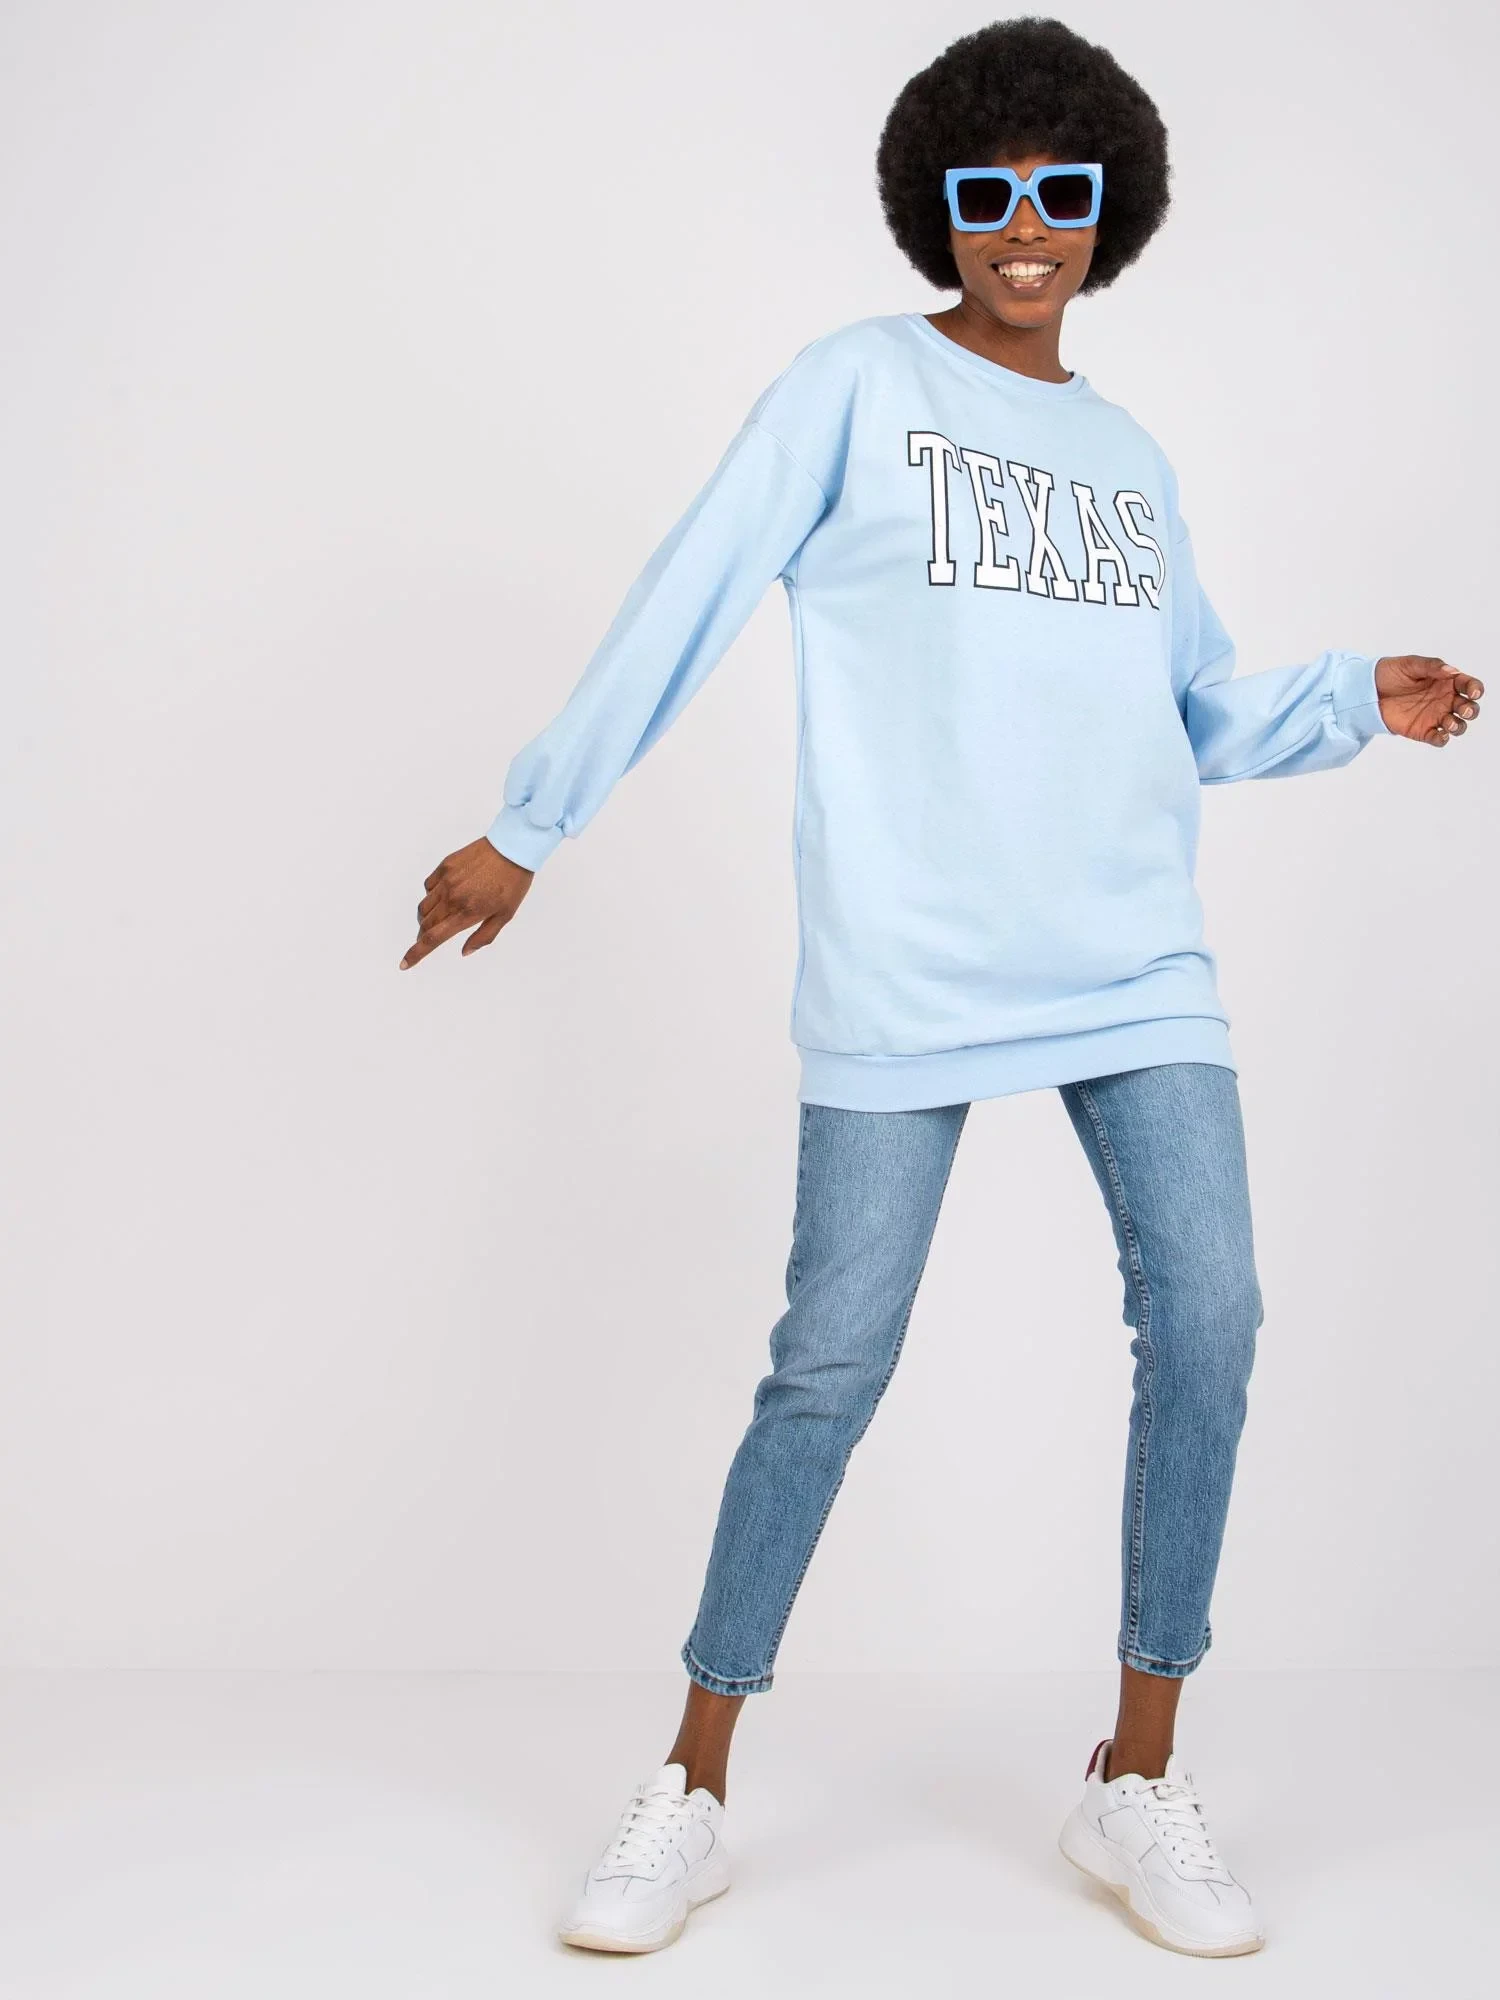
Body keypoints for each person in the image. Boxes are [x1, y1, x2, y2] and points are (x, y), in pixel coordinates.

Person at [400, 15, 1482, 1961]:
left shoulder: (1130, 459)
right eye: (988, 191)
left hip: (1133, 958)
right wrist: (529, 826)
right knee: (830, 1361)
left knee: (1213, 1316)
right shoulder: (852, 387)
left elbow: (1186, 710)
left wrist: (1348, 699)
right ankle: (693, 1784)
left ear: (1113, 211)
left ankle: (1137, 1772)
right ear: (936, 205)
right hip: (910, 963)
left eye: (1065, 192)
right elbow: (690, 591)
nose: (1026, 226)